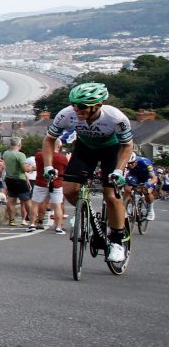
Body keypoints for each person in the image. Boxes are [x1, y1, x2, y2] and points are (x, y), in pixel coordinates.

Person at [42, 82, 134, 263]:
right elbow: (49, 140)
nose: (77, 109)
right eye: (74, 104)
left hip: (112, 151)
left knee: (111, 196)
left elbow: (127, 145)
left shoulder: (116, 117)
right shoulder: (66, 114)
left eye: (82, 106)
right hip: (85, 149)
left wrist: (118, 170)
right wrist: (48, 166)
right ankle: (83, 212)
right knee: (69, 190)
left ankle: (116, 241)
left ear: (98, 105)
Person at [32, 136, 69, 234]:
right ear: (59, 146)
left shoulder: (39, 155)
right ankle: (58, 227)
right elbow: (66, 169)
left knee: (36, 203)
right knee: (57, 205)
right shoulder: (62, 158)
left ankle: (33, 223)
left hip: (40, 182)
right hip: (56, 183)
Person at [2, 137, 33, 227]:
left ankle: (11, 220)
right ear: (19, 145)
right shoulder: (20, 155)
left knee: (11, 199)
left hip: (9, 179)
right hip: (19, 179)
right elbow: (25, 169)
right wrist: (33, 168)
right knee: (27, 199)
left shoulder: (5, 153)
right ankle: (32, 219)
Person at [124, 153, 158, 221]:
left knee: (147, 191)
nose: (129, 165)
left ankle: (150, 211)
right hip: (135, 175)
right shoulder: (126, 163)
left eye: (131, 163)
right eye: (128, 163)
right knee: (128, 188)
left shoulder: (145, 162)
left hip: (148, 176)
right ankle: (127, 208)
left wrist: (148, 184)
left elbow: (154, 178)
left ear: (136, 161)